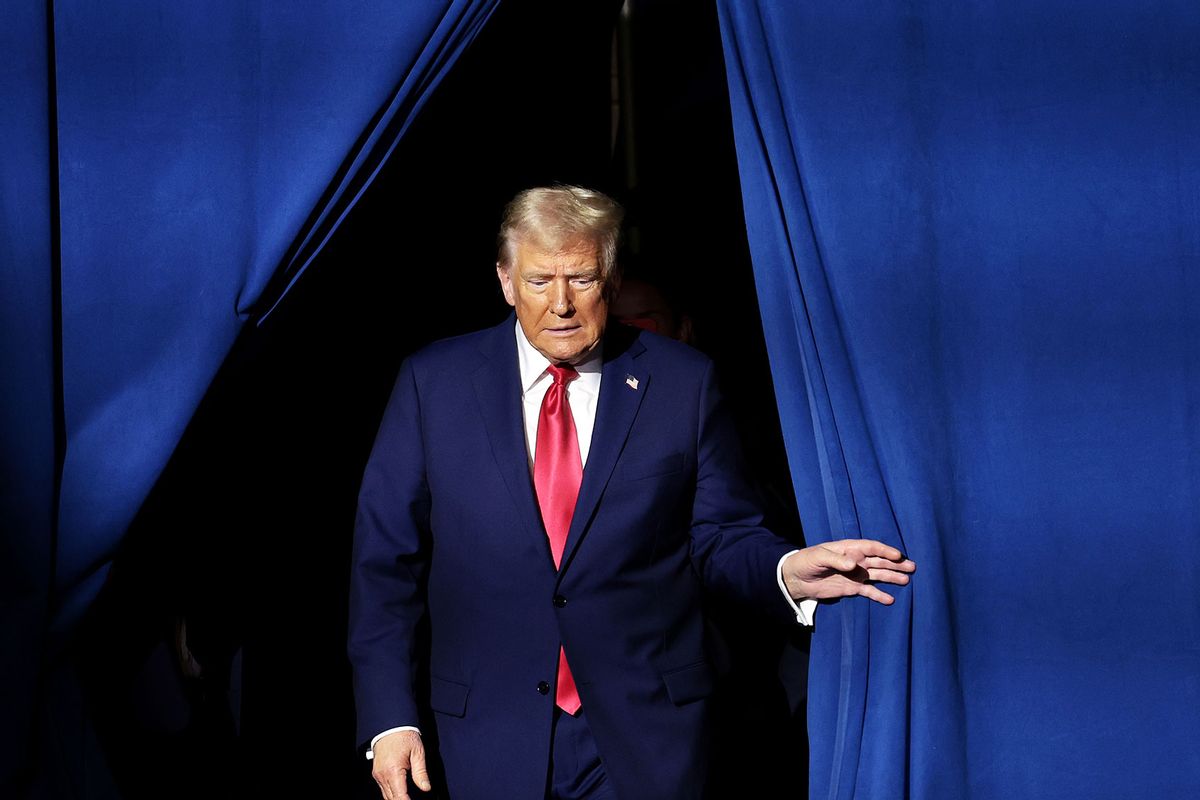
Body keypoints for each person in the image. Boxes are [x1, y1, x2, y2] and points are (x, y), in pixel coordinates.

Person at [348, 186, 914, 800]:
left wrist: (785, 572)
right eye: (540, 282)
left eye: (582, 279)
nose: (561, 303)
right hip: (484, 735)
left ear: (612, 280)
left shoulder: (682, 383)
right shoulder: (434, 384)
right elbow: (385, 564)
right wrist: (389, 716)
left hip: (646, 736)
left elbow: (720, 535)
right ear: (505, 281)